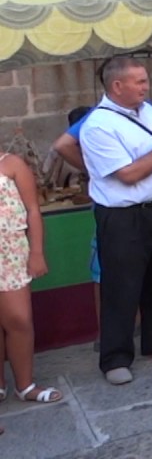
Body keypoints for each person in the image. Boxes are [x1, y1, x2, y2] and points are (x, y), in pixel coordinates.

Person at [80, 57, 152, 385]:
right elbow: (128, 174)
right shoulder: (98, 125)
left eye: (146, 81)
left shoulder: (147, 111)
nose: (147, 87)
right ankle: (115, 356)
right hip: (122, 216)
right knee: (121, 286)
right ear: (117, 86)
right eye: (140, 82)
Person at [0, 151, 61, 407]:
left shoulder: (11, 164)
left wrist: (36, 252)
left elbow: (33, 210)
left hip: (10, 252)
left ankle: (25, 385)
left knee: (19, 319)